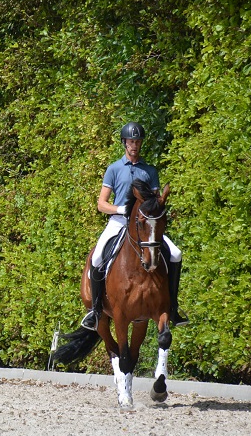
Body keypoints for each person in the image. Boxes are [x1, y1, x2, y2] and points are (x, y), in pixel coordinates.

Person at [80, 122, 189, 331]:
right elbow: (101, 204)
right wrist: (121, 210)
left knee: (175, 253)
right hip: (119, 221)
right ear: (124, 143)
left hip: (145, 225)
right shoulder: (114, 169)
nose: (134, 145)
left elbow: (156, 200)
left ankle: (173, 307)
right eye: (131, 141)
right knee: (96, 257)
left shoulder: (149, 171)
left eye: (138, 141)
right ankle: (95, 310)